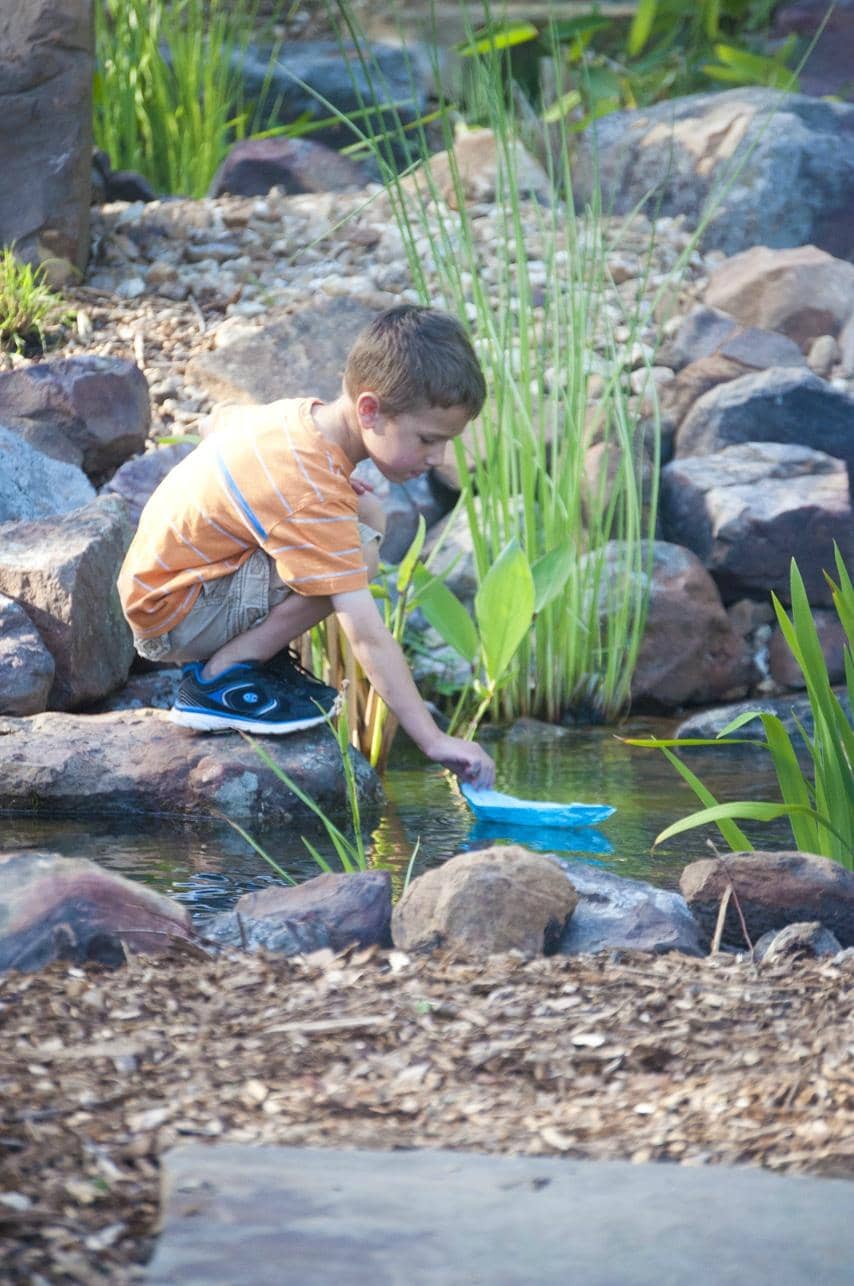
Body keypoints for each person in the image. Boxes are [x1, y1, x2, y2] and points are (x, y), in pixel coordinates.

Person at [118, 305, 495, 787]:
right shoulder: (310, 487)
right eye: (427, 439)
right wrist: (433, 739)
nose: (437, 458)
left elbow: (220, 419)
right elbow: (364, 632)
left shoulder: (296, 418)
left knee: (367, 517)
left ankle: (248, 653)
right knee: (355, 553)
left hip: (165, 590)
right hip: (176, 615)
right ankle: (221, 677)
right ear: (369, 410)